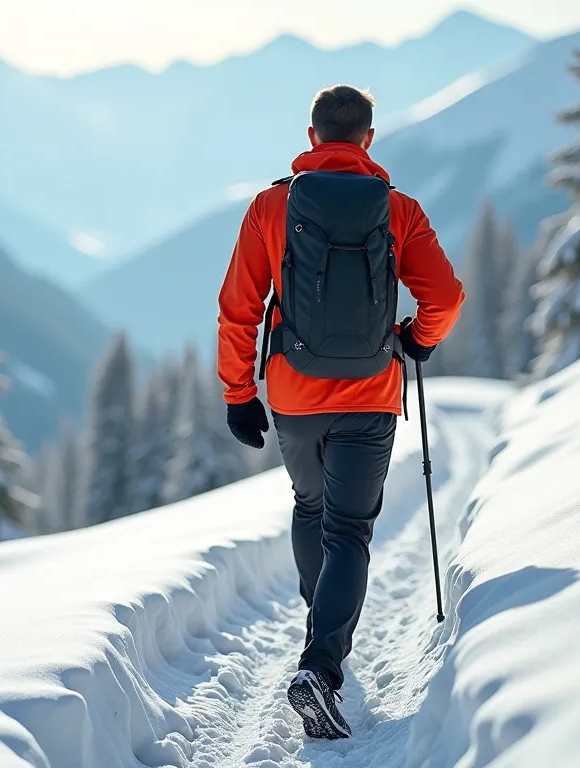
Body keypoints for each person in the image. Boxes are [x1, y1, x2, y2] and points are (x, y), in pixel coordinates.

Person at [216, 84, 464, 740]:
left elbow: (240, 307)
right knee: (348, 532)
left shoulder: (272, 206)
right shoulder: (398, 210)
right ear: (369, 140)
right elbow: (445, 294)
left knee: (310, 509)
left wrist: (238, 394)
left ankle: (318, 627)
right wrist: (418, 339)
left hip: (294, 393)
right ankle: (321, 667)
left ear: (311, 136)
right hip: (371, 394)